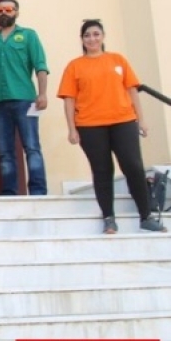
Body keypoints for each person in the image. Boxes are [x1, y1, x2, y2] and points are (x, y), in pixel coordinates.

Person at [57, 20, 165, 234]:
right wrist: (71, 129)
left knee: (133, 166)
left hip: (123, 121)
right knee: (102, 170)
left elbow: (133, 90)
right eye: (87, 35)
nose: (92, 39)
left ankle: (146, 216)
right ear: (82, 40)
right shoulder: (75, 66)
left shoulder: (118, 60)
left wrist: (141, 120)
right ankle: (108, 218)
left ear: (103, 36)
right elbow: (69, 99)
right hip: (89, 125)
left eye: (96, 34)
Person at [0, 0, 49, 195]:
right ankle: (9, 192)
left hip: (25, 100)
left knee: (32, 147)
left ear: (16, 12)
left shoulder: (28, 35)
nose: (3, 13)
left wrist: (42, 94)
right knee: (4, 152)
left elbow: (40, 66)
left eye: (8, 10)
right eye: (0, 10)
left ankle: (38, 191)